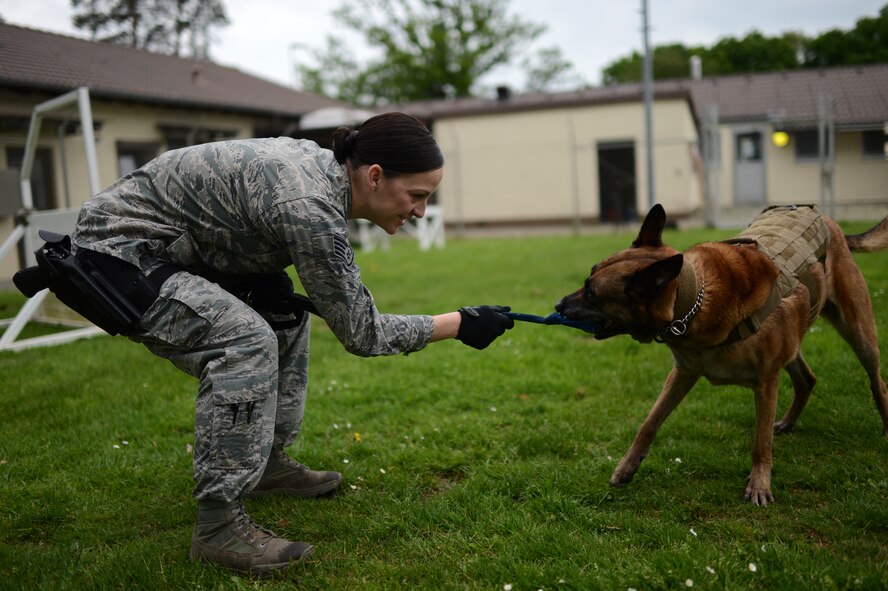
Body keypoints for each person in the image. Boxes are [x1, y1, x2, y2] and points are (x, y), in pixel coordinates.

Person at [68, 112, 514, 575]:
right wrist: (459, 323)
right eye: (416, 196)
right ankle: (218, 526)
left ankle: (265, 464)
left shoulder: (324, 175)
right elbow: (363, 332)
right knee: (243, 340)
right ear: (376, 176)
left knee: (283, 316)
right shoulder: (310, 205)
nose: (420, 211)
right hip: (114, 254)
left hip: (169, 250)